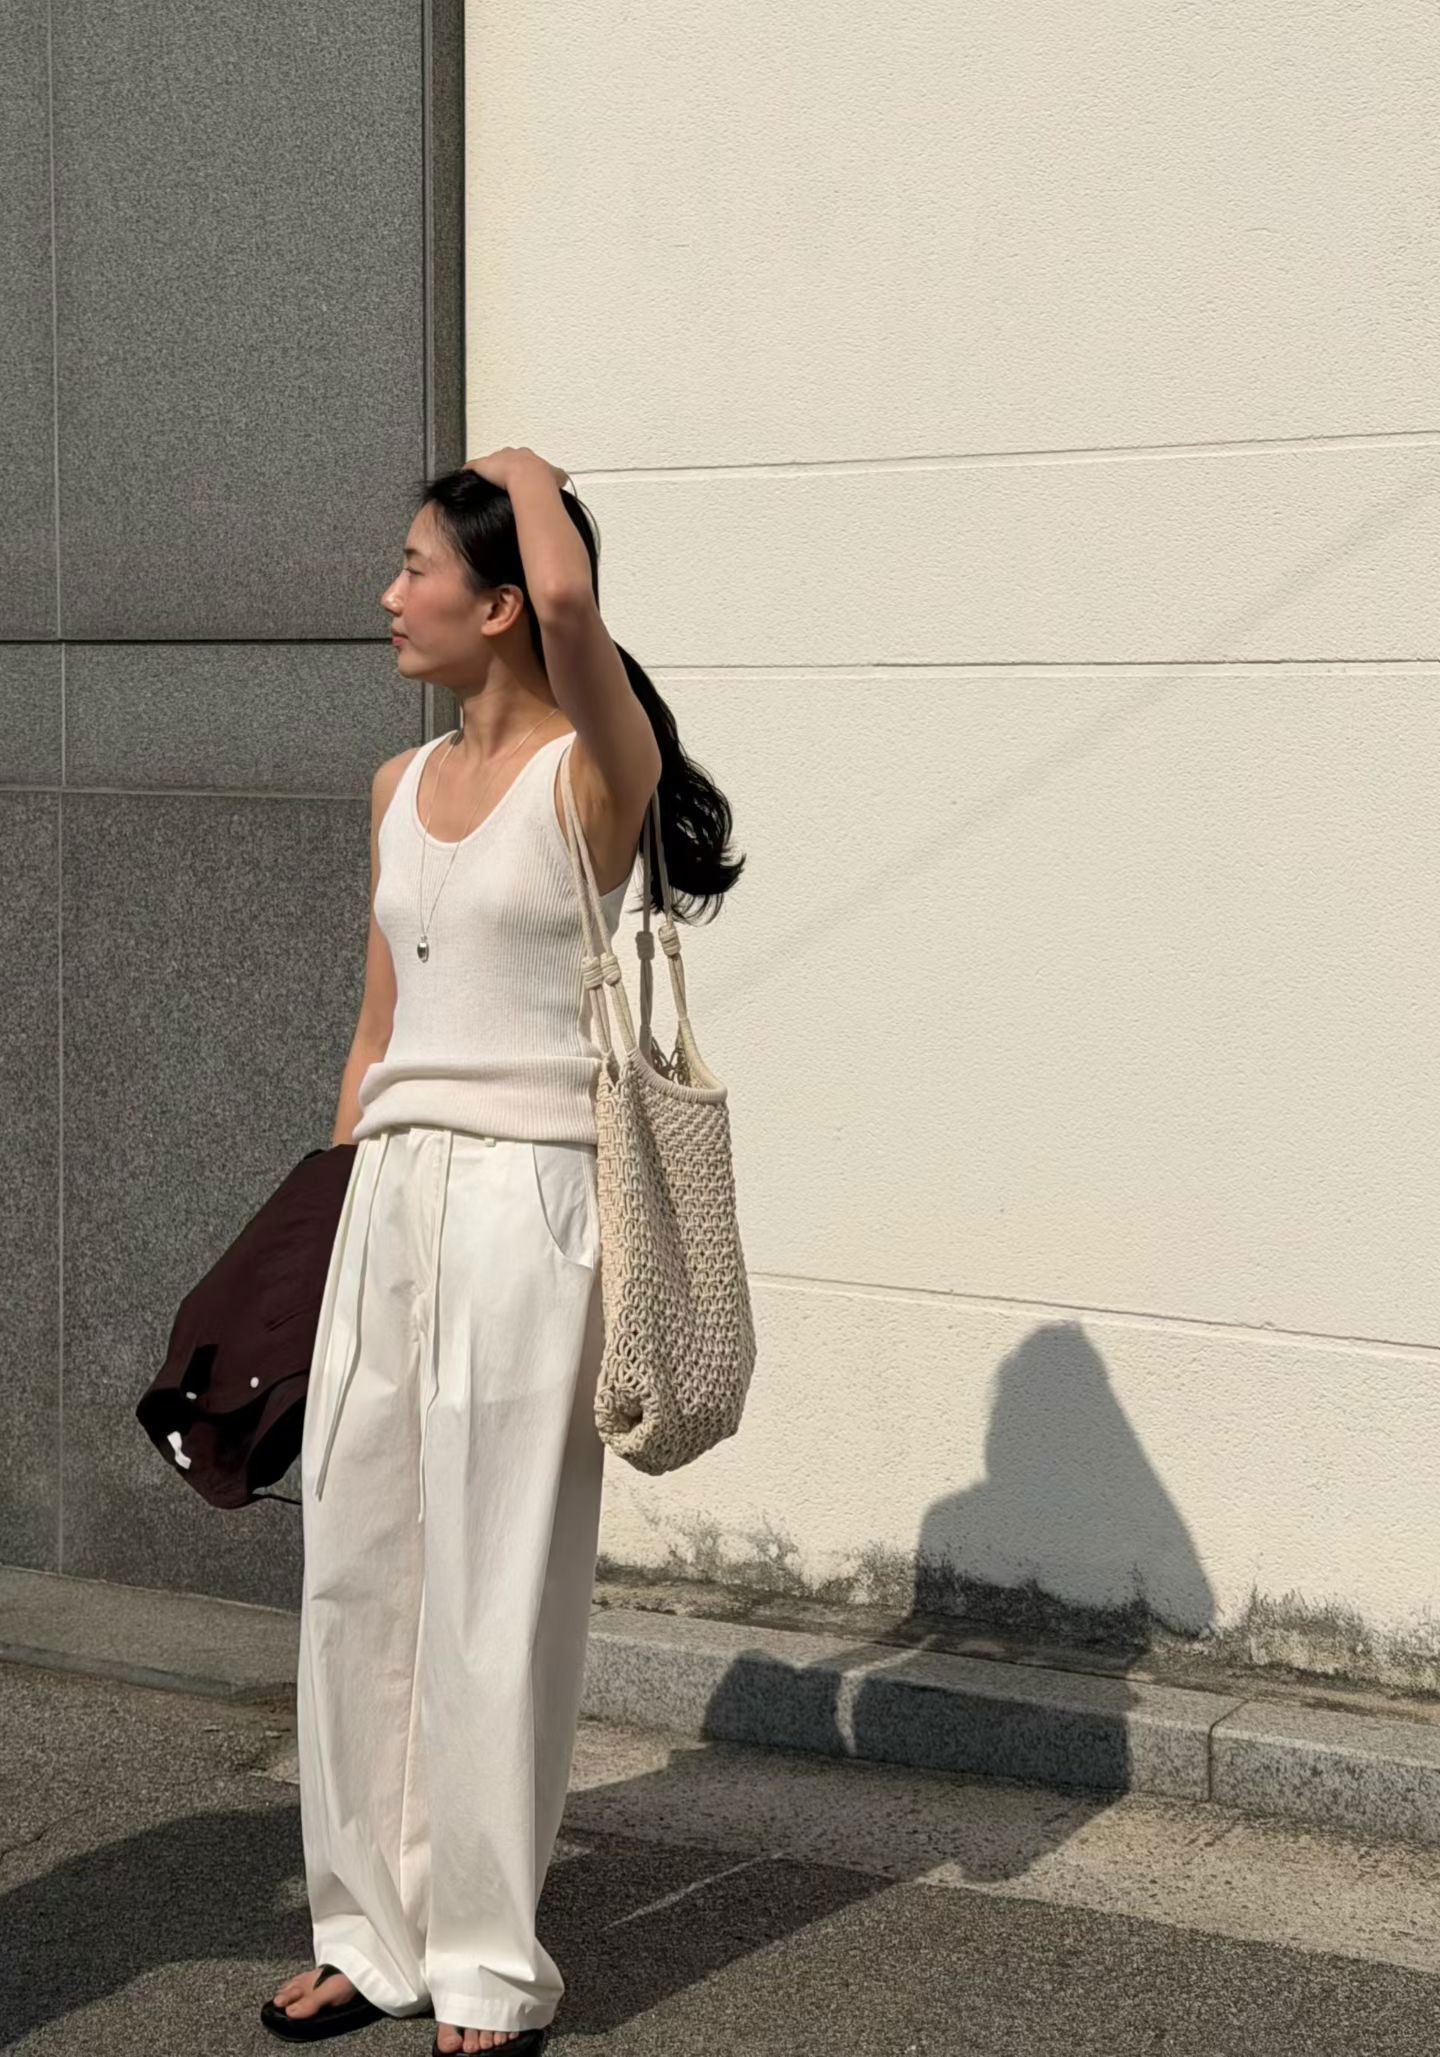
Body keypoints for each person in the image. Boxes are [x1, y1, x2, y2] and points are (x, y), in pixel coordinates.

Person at [260, 447, 744, 2053]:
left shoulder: (594, 774)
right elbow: (375, 1029)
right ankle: (364, 1931)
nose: (388, 595)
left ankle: (483, 1960)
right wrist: (320, 1224)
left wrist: (519, 466)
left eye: (416, 566)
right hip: (391, 1194)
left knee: (493, 1591)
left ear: (500, 603)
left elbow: (581, 608)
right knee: (356, 1569)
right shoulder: (394, 788)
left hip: (532, 1205)